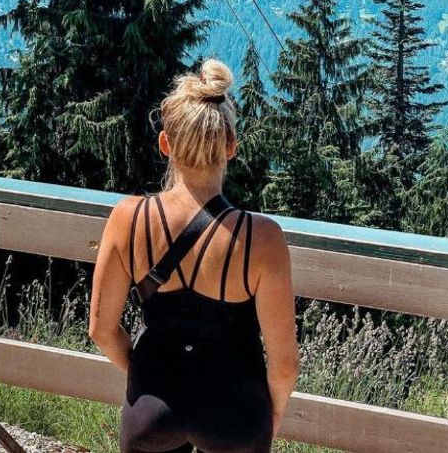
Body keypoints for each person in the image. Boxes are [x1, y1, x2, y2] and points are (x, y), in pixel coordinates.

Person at [89, 59, 299, 453]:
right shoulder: (263, 239)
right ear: (232, 146)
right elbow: (284, 364)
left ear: (165, 143)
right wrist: (272, 414)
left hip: (150, 409)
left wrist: (143, 375)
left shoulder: (126, 220)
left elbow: (101, 330)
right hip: (235, 410)